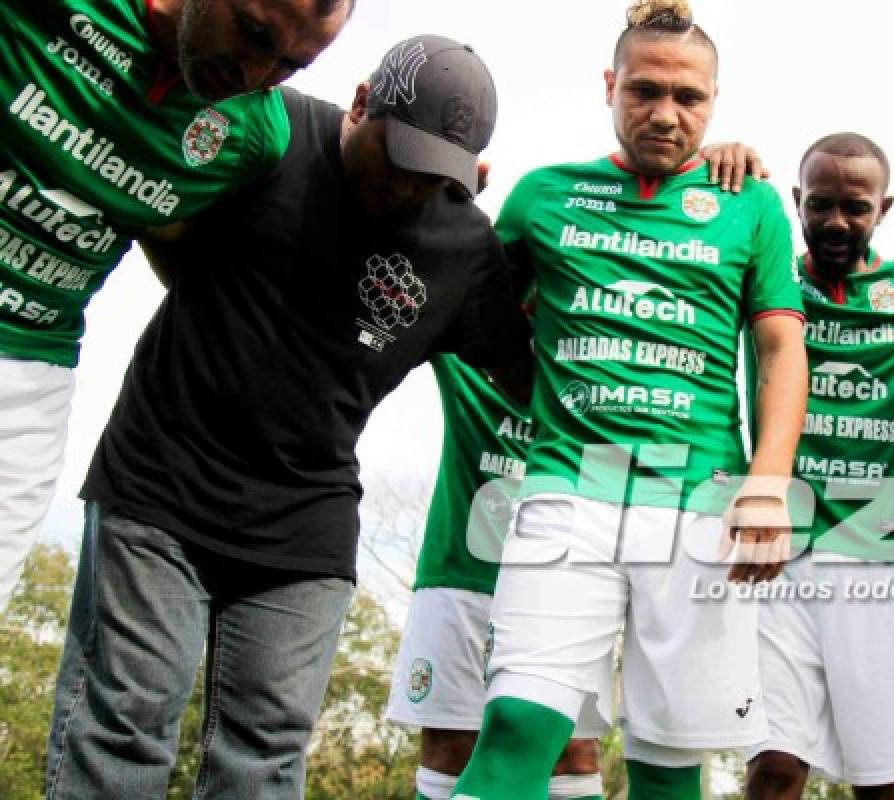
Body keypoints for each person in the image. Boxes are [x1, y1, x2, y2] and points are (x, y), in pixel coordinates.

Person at [45, 34, 531, 799]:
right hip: (159, 487)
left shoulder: (463, 243)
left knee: (264, 759)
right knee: (126, 729)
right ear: (362, 101)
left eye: (434, 172)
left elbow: (524, 369)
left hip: (304, 526)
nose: (409, 185)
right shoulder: (269, 135)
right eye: (399, 156)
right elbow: (149, 192)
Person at [450, 2, 809, 798]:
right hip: (564, 490)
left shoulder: (750, 203)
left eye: (689, 97)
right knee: (516, 724)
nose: (665, 112)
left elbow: (781, 347)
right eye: (644, 90)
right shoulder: (544, 195)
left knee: (670, 758)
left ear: (715, 101)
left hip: (700, 504)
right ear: (610, 86)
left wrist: (769, 483)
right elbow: (473, 309)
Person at [0, 0, 353, 614]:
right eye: (252, 32)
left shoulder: (250, 137)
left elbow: (191, 259)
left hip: (29, 382)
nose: (254, 73)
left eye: (291, 64)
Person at [744, 132, 894, 800]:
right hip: (777, 556)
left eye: (856, 206)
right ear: (796, 201)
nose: (837, 221)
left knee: (886, 779)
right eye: (820, 205)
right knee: (777, 765)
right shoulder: (766, 276)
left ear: (884, 207)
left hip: (879, 557)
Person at [385, 352, 604, 800]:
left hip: (568, 582)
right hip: (462, 577)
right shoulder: (473, 343)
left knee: (574, 753)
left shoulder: (594, 352)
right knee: (452, 746)